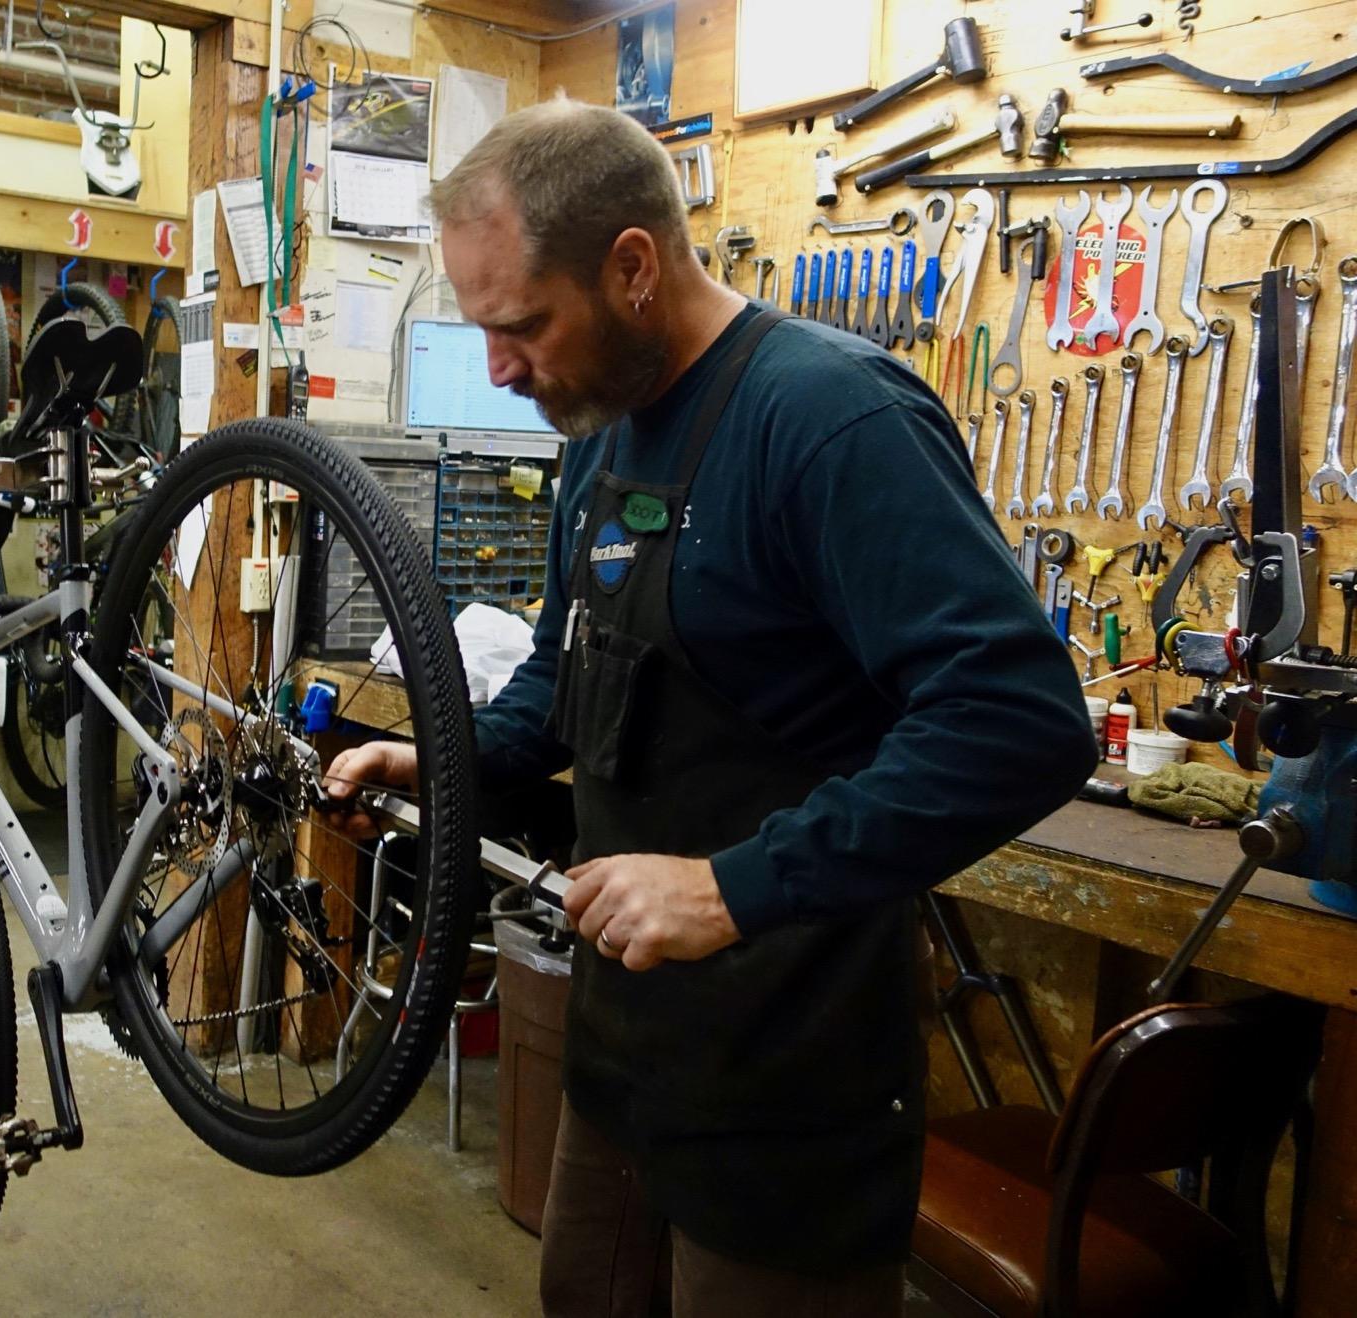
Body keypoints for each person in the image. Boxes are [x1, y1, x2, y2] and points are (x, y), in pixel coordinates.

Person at [325, 98, 1098, 1316]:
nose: (500, 369)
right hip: (626, 1054)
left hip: (789, 1081)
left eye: (521, 323)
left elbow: (1020, 721)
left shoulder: (832, 421)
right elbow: (562, 674)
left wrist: (730, 886)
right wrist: (442, 759)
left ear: (632, 267)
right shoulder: (597, 427)